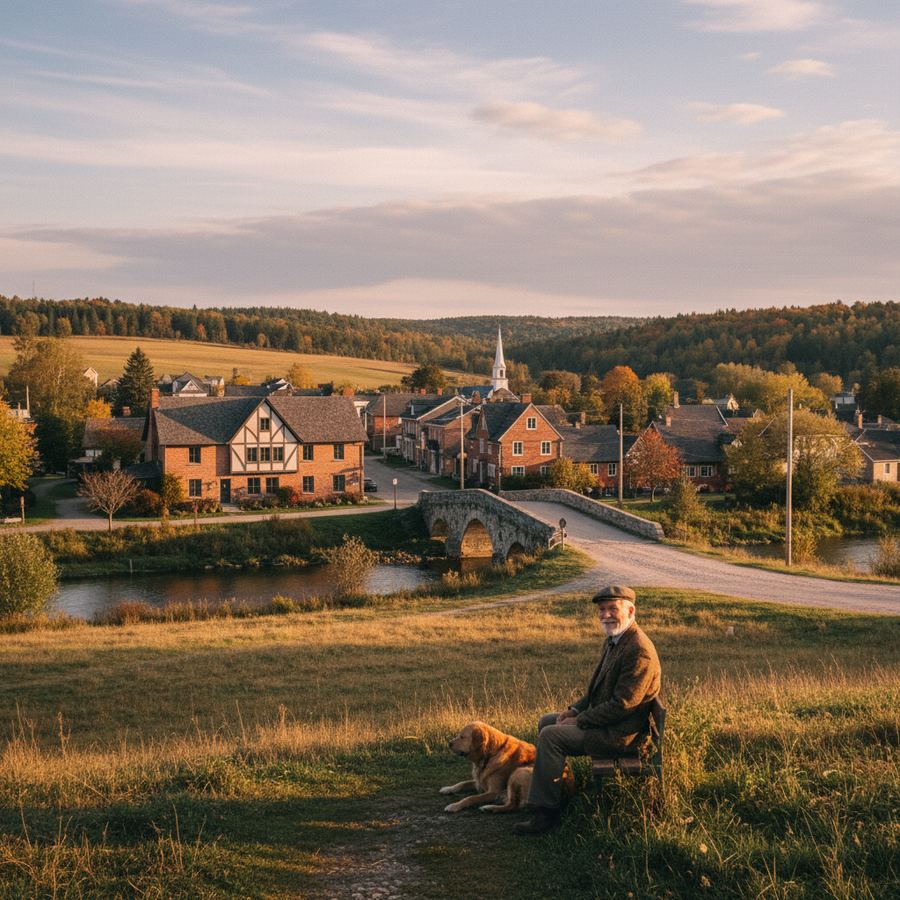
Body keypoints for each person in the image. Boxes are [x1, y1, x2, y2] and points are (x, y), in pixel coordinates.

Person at [512, 584, 661, 836]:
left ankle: (545, 814)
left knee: (550, 736)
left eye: (612, 609)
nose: (605, 615)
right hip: (609, 725)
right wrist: (574, 710)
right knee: (546, 721)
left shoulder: (639, 650)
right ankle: (556, 792)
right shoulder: (616, 641)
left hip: (620, 735)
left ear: (631, 610)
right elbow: (596, 692)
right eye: (602, 610)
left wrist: (581, 721)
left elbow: (622, 705)